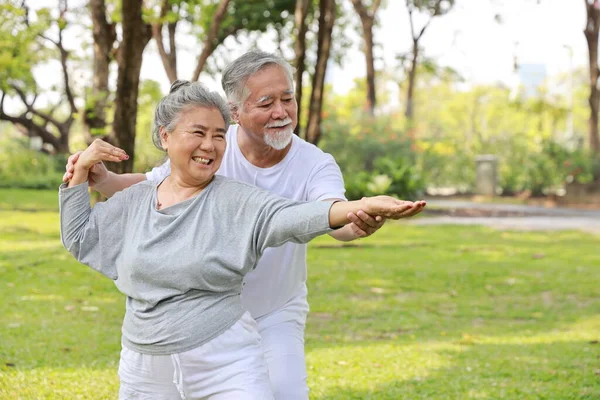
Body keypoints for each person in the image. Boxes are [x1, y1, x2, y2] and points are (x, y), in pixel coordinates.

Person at [63, 50, 426, 399]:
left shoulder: (311, 164)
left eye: (288, 99)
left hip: (273, 307)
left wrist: (356, 216)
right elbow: (152, 185)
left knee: (285, 393)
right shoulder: (210, 148)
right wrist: (102, 180)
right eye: (266, 103)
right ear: (236, 112)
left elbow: (320, 211)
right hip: (196, 313)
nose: (281, 112)